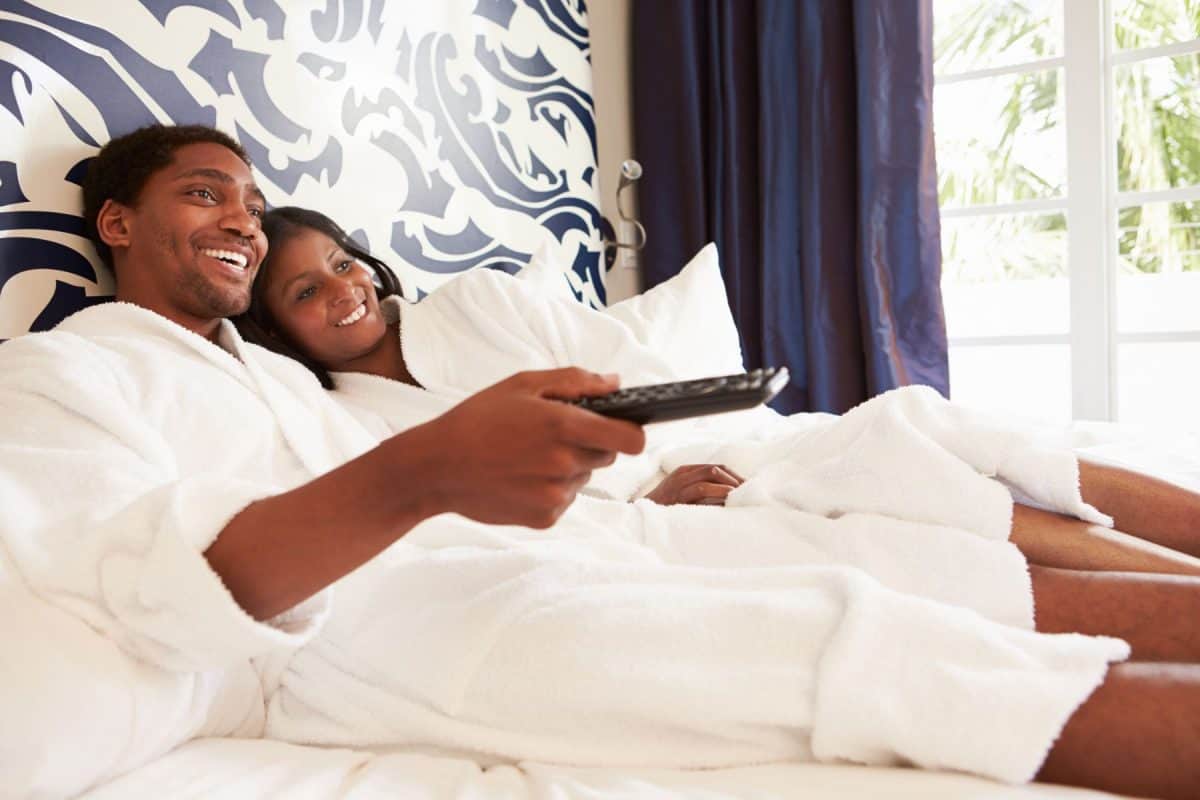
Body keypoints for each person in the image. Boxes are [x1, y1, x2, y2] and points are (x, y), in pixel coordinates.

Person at [0, 124, 1197, 800]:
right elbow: (145, 599)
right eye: (206, 195)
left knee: (908, 564)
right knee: (854, 641)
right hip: (400, 626)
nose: (244, 223)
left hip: (585, 532)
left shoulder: (271, 380)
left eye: (253, 206)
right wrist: (421, 474)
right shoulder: (66, 372)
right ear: (117, 223)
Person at [238, 205, 1200, 578]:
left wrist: (659, 439)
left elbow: (622, 368)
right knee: (887, 469)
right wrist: (644, 502)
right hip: (661, 509)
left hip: (709, 442)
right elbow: (477, 521)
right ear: (279, 330)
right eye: (306, 292)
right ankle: (1174, 585)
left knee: (921, 426)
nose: (343, 289)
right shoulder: (347, 420)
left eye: (342, 262)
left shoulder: (476, 303)